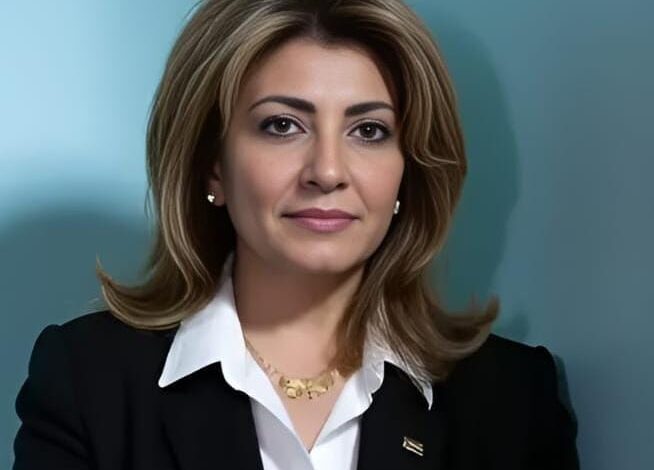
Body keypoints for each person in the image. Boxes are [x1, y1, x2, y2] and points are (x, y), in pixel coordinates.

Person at [12, 0, 579, 469]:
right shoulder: (87, 381)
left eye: (369, 130)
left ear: (407, 171)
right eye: (282, 125)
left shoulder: (513, 400)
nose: (327, 171)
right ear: (213, 166)